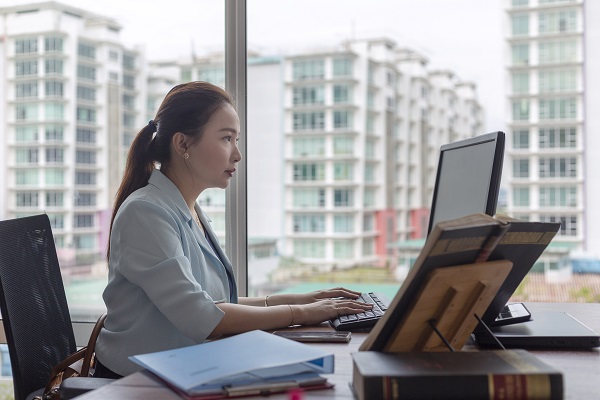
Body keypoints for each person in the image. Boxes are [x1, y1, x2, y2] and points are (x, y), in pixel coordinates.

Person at [94, 81, 373, 378]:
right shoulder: (146, 212)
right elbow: (202, 316)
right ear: (183, 144)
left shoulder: (187, 209)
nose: (237, 154)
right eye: (227, 139)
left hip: (184, 370)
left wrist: (307, 299)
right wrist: (301, 314)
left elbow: (217, 304)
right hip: (135, 383)